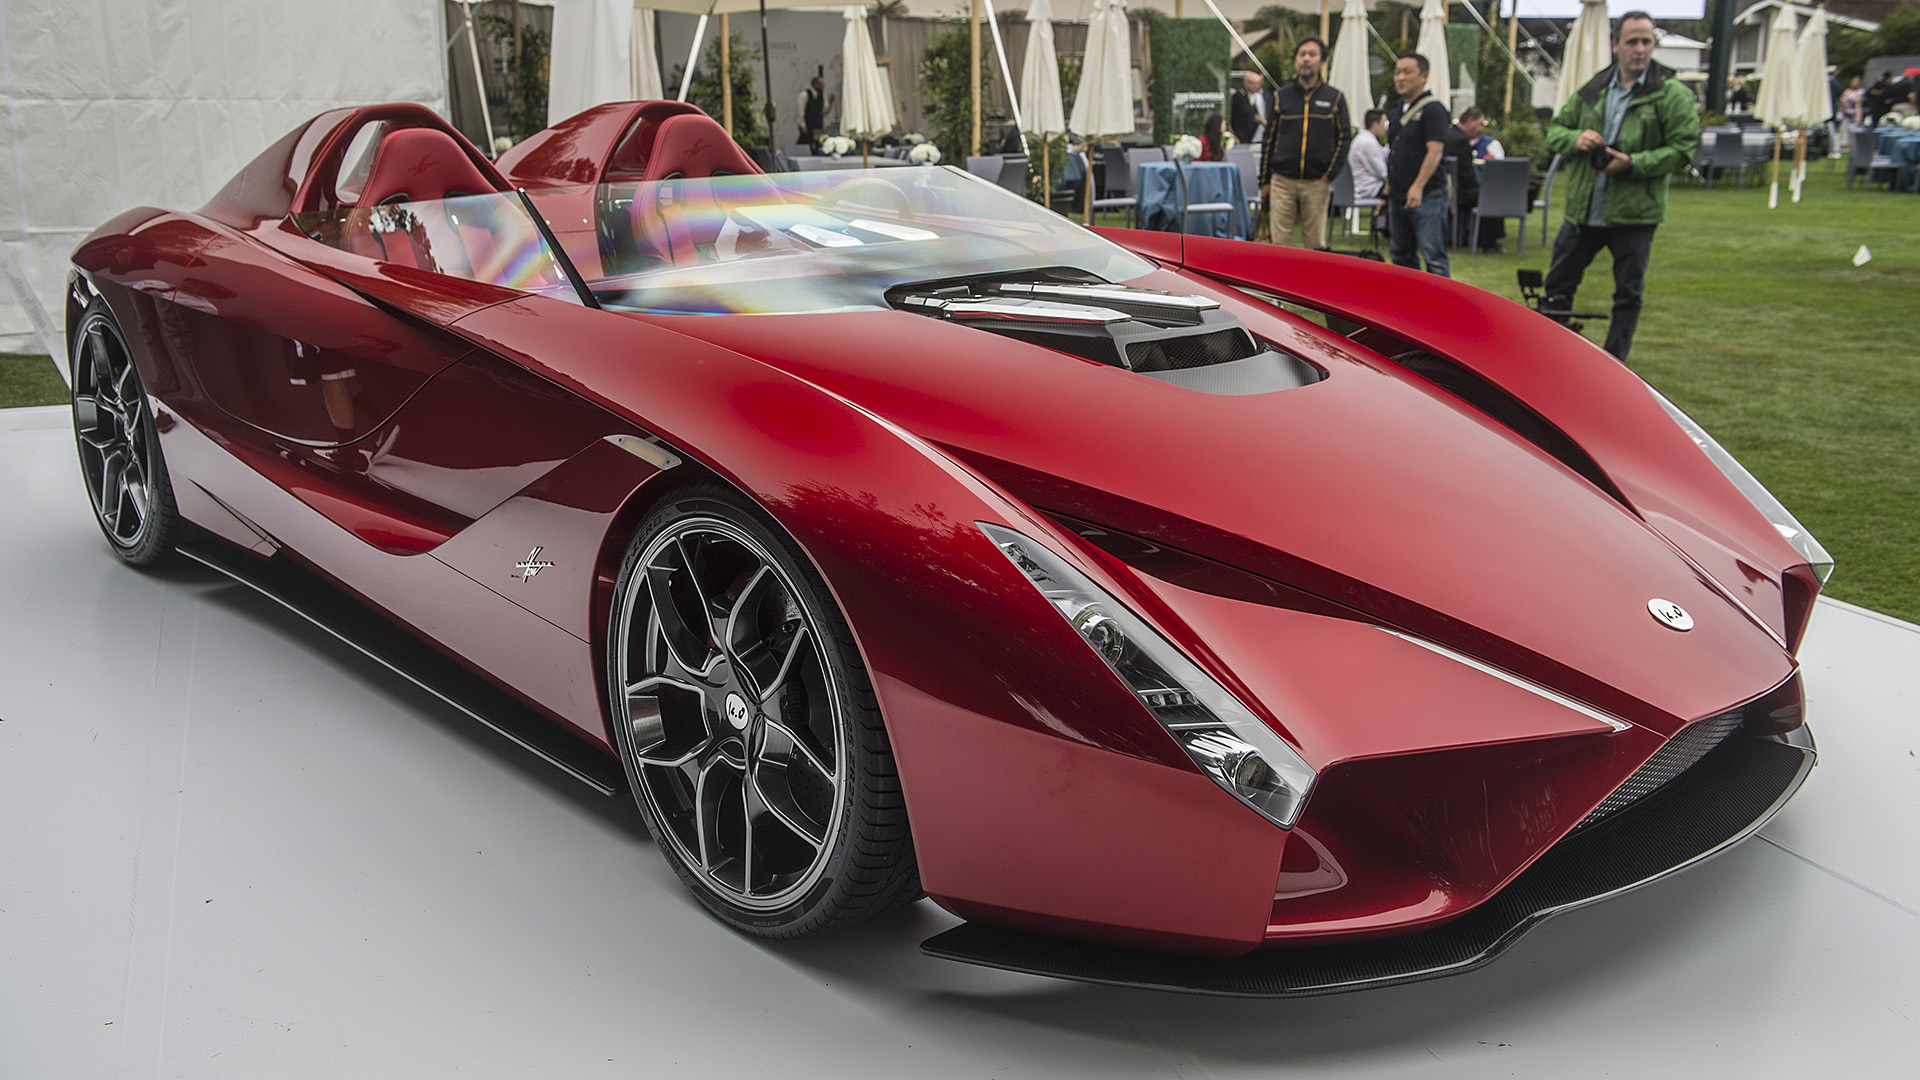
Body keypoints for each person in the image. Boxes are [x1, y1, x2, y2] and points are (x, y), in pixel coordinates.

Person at [1542, 10, 1698, 362]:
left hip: (1634, 213)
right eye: (1632, 42)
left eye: (1647, 41)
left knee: (1628, 294)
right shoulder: (1594, 88)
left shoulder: (1671, 94)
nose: (1640, 49)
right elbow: (1555, 131)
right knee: (1556, 288)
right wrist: (1575, 138)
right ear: (1616, 45)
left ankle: (1615, 363)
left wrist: (1633, 163)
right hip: (1583, 210)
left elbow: (1683, 149)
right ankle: (1553, 357)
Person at [1259, 38, 1352, 249]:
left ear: (1322, 62)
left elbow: (1344, 138)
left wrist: (1329, 174)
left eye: (1312, 54)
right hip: (1282, 181)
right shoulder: (1281, 97)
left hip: (1316, 182)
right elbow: (1268, 140)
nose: (1306, 59)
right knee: (1279, 245)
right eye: (1302, 54)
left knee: (1315, 245)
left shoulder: (1335, 98)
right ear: (1296, 61)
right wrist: (1264, 182)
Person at [1384, 51, 1450, 276]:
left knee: (1434, 257)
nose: (1400, 78)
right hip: (1397, 195)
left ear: (1424, 76)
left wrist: (1418, 186)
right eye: (1397, 73)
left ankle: (1440, 299)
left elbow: (1435, 151)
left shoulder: (1433, 109)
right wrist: (1387, 189)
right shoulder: (1396, 110)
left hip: (1427, 195)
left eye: (1407, 72)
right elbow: (1394, 151)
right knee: (1401, 255)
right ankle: (1407, 299)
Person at [1446, 107, 1503, 251]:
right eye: (1480, 124)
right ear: (1470, 121)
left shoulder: (1449, 134)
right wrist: (1479, 185)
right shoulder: (1460, 141)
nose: (1481, 129)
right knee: (1491, 194)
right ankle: (1489, 242)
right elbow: (1467, 177)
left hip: (1447, 188)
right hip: (1457, 193)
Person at [1350, 108, 1389, 203]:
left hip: (1367, 187)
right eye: (1384, 123)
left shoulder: (1364, 139)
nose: (1386, 127)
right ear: (1375, 124)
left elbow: (1382, 153)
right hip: (1370, 189)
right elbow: (1382, 172)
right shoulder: (1367, 143)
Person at [1230, 71, 1275, 148]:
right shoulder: (1237, 98)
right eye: (1254, 83)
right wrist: (1233, 136)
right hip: (1241, 141)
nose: (1257, 86)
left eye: (1259, 83)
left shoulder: (1263, 96)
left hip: (1259, 139)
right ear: (1246, 83)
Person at [798, 74, 834, 150]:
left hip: (817, 125)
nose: (823, 86)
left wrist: (830, 103)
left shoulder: (822, 96)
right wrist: (802, 124)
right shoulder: (805, 94)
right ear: (815, 84)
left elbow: (824, 111)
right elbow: (800, 110)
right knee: (805, 142)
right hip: (807, 123)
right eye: (821, 84)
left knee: (817, 143)